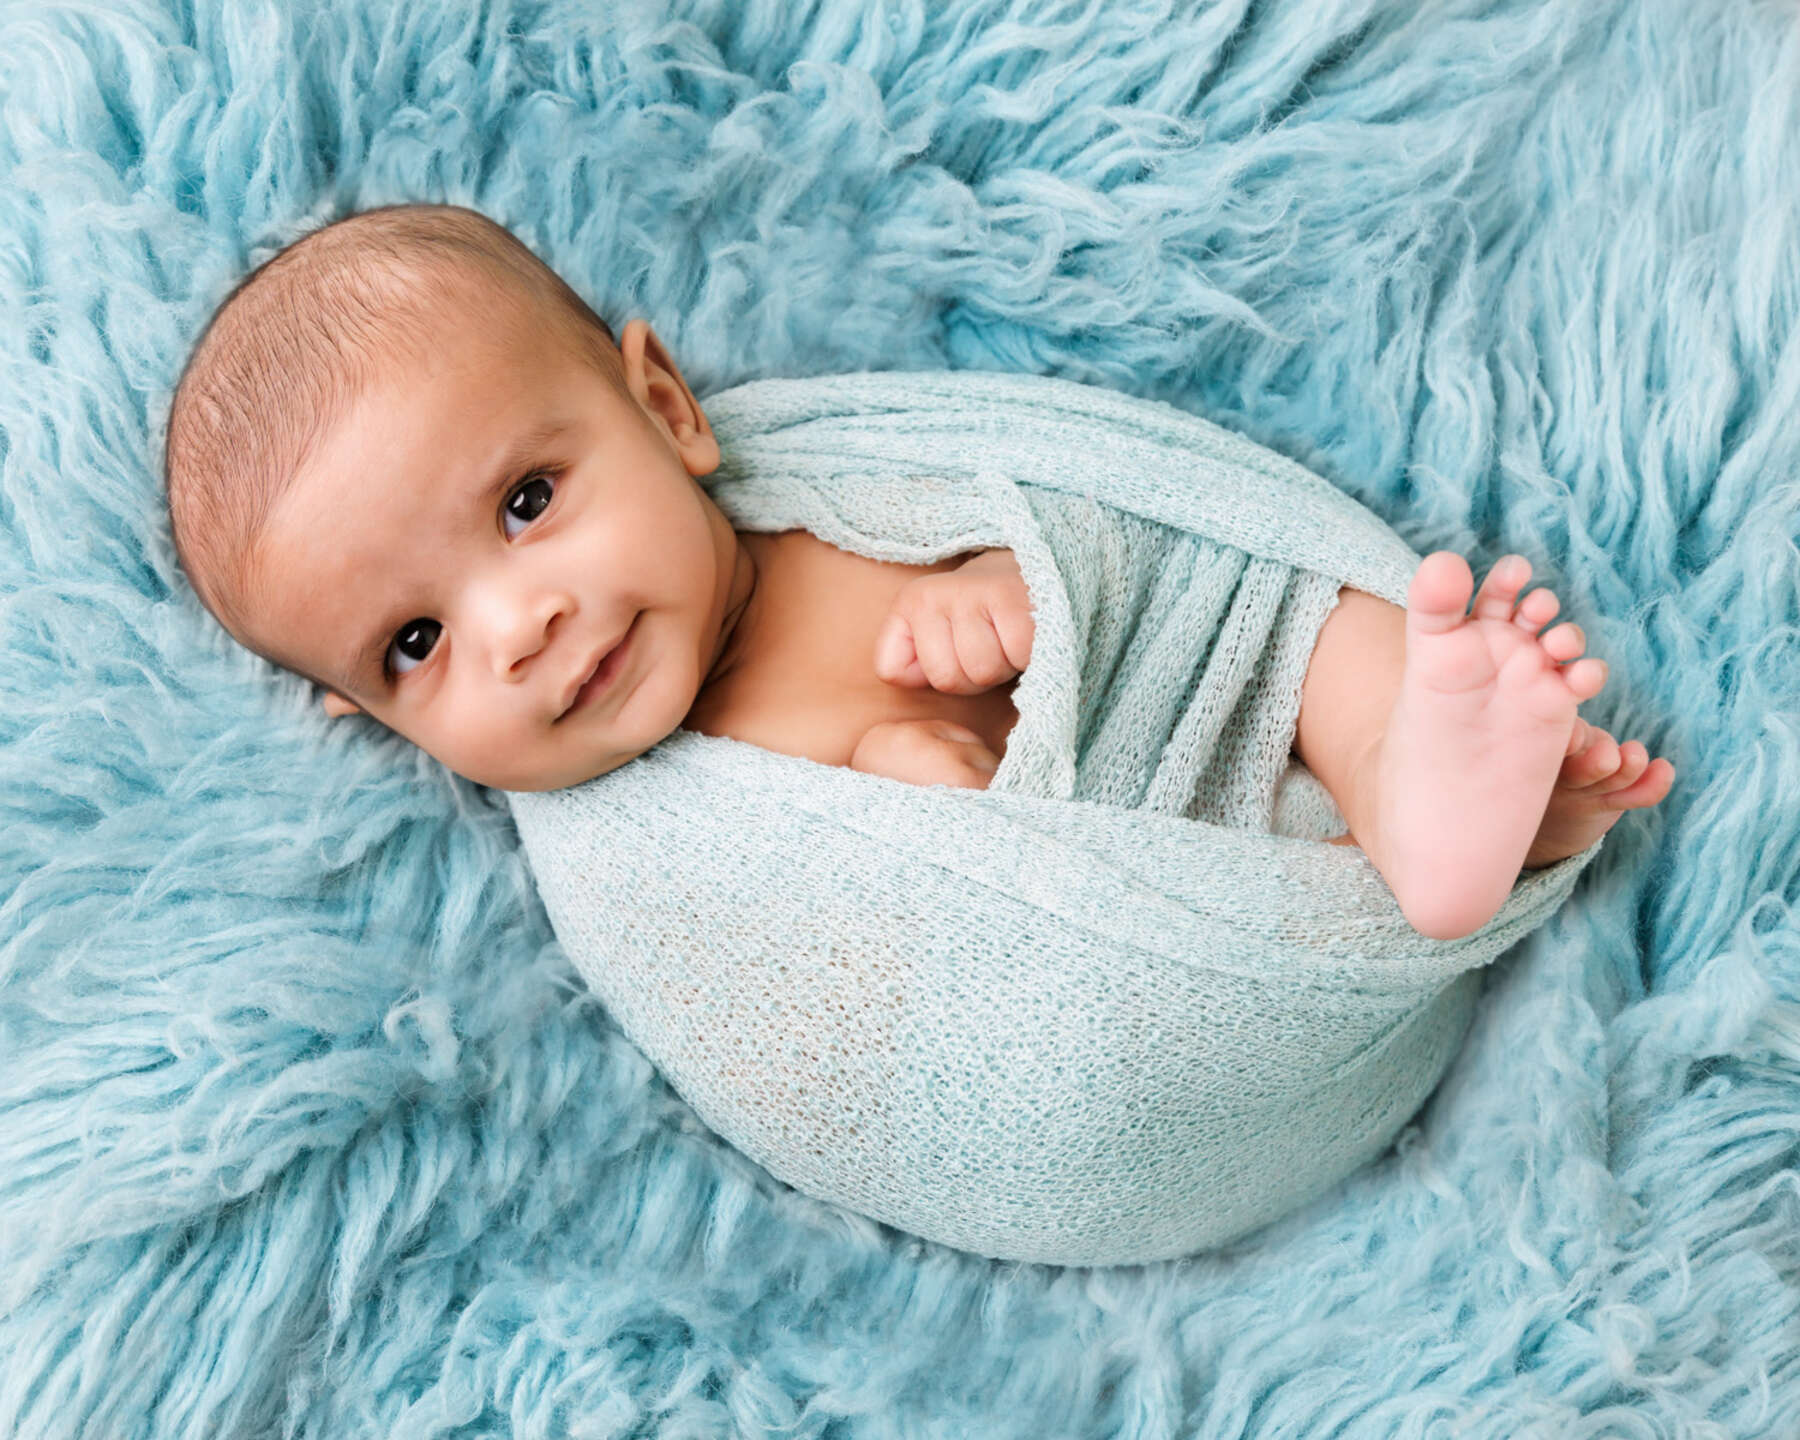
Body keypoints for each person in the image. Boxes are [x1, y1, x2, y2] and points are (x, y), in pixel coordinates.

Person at [162, 204, 1673, 941]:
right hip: (1137, 941)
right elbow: (829, 1017)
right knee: (1265, 835)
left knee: (1309, 632)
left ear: (671, 413)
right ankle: (1425, 847)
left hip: (1194, 725)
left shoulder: (831, 495)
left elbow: (1109, 531)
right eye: (414, 643)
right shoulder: (648, 862)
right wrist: (922, 801)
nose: (517, 626)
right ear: (374, 721)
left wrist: (1009, 586)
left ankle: (1437, 788)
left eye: (529, 500)